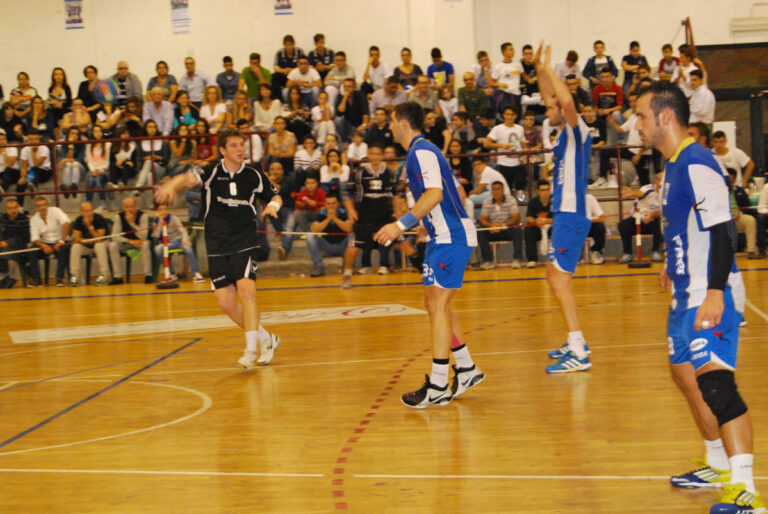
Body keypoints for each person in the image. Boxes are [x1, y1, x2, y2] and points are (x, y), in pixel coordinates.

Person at [635, 80, 764, 514]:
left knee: (715, 382)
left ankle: (745, 489)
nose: (637, 124)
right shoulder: (672, 165)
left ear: (665, 116)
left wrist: (714, 292)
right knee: (683, 374)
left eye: (641, 116)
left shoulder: (696, 162)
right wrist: (672, 264)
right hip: (687, 288)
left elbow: (724, 229)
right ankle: (714, 463)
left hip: (713, 289)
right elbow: (684, 226)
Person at [374, 101, 483, 408]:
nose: (389, 126)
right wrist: (427, 222)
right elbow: (451, 193)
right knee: (434, 303)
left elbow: (434, 193)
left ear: (404, 124)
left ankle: (438, 384)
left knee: (438, 305)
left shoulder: (421, 151)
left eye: (392, 121)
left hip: (452, 237)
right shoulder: (423, 152)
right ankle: (466, 367)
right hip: (443, 234)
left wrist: (400, 225)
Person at [155, 129, 283, 368]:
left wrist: (274, 205)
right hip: (216, 243)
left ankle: (249, 350)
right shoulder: (212, 171)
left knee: (247, 292)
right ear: (223, 150)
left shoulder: (254, 174)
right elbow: (187, 180)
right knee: (226, 303)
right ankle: (267, 338)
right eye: (234, 145)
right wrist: (171, 185)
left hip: (244, 240)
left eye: (242, 145)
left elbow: (275, 194)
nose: (240, 150)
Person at [530, 43, 594, 374]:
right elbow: (552, 99)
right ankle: (574, 341)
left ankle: (579, 349)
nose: (547, 109)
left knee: (559, 279)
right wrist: (541, 70)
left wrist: (551, 73)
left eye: (551, 106)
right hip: (565, 214)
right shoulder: (562, 134)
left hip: (571, 214)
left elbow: (564, 100)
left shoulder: (578, 130)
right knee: (554, 276)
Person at [340, 144, 395, 286]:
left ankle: (422, 271)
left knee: (404, 244)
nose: (375, 157)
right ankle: (347, 274)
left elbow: (392, 194)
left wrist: (397, 211)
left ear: (382, 156)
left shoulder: (389, 173)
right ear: (368, 155)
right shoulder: (359, 172)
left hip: (384, 215)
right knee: (354, 246)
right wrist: (351, 210)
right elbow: (346, 193)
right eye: (372, 153)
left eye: (378, 154)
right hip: (364, 214)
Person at [150, 203, 204, 282]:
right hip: (169, 243)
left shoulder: (173, 218)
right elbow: (156, 235)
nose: (163, 212)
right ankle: (171, 273)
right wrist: (161, 221)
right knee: (157, 249)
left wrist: (185, 239)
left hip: (180, 240)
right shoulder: (156, 222)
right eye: (161, 210)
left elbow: (183, 231)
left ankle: (196, 273)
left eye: (165, 209)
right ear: (157, 211)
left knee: (188, 248)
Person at [477, 181, 523, 269]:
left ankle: (517, 259)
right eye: (494, 189)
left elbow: (516, 218)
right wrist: (491, 225)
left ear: (503, 190)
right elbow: (482, 219)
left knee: (517, 230)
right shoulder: (487, 201)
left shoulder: (511, 200)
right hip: (493, 229)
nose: (496, 191)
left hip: (506, 228)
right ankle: (488, 261)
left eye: (498, 189)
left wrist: (502, 225)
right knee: (480, 231)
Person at [617, 179, 664, 263]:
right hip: (638, 219)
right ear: (656, 180)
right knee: (623, 225)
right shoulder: (648, 188)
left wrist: (652, 215)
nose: (661, 181)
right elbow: (640, 193)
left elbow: (662, 212)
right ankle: (627, 253)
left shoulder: (666, 193)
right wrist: (632, 193)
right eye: (659, 179)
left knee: (658, 222)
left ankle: (655, 251)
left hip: (652, 221)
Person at [108, 196, 151, 284]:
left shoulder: (143, 216)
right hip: (126, 243)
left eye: (132, 206)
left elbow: (143, 236)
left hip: (139, 243)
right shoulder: (119, 217)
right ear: (123, 208)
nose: (130, 209)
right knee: (112, 245)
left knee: (146, 244)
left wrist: (132, 224)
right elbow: (114, 236)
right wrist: (130, 241)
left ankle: (148, 275)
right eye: (127, 207)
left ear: (136, 206)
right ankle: (118, 277)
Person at [307, 195, 352, 277]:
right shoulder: (321, 213)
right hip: (327, 247)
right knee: (310, 236)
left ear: (337, 204)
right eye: (328, 204)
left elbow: (349, 229)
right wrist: (328, 218)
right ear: (325, 204)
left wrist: (334, 218)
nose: (331, 206)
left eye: (333, 203)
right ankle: (319, 267)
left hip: (343, 247)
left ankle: (348, 267)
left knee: (353, 235)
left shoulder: (344, 212)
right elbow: (314, 230)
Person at [485, 105, 526, 194]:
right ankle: (510, 205)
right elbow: (487, 143)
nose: (510, 117)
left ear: (515, 116)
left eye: (512, 114)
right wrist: (502, 145)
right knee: (507, 189)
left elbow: (523, 144)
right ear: (504, 115)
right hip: (503, 163)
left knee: (521, 189)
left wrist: (524, 153)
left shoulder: (520, 128)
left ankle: (521, 204)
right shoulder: (497, 128)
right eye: (507, 114)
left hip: (518, 163)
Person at [30, 196, 70, 286]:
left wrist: (61, 241)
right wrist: (43, 245)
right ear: (36, 208)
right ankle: (37, 279)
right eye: (39, 206)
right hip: (45, 243)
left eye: (44, 205)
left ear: (48, 205)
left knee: (63, 249)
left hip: (61, 240)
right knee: (32, 251)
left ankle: (59, 279)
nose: (42, 208)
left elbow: (67, 223)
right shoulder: (34, 219)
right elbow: (34, 238)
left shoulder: (56, 211)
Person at [69, 201, 111, 286]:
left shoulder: (98, 218)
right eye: (86, 211)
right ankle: (75, 276)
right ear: (81, 212)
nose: (89, 213)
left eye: (91, 210)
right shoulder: (79, 220)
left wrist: (90, 227)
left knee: (99, 245)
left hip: (102, 244)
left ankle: (105, 275)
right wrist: (88, 240)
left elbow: (99, 238)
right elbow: (77, 238)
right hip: (87, 245)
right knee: (75, 246)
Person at [0, 199, 39, 288]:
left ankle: (8, 277)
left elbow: (26, 237)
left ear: (18, 208)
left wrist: (8, 242)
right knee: (5, 249)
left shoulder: (24, 219)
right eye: (10, 208)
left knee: (9, 250)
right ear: (6, 210)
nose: (13, 210)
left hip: (20, 245)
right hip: (3, 244)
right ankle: (6, 278)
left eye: (15, 208)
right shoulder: (2, 219)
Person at [523, 179, 553, 267]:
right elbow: (529, 218)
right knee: (529, 229)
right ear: (537, 191)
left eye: (547, 189)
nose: (545, 192)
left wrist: (546, 221)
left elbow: (559, 218)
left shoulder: (555, 201)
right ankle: (532, 259)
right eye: (542, 190)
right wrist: (536, 221)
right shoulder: (533, 202)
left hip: (551, 227)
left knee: (559, 228)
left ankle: (558, 256)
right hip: (538, 227)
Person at [489, 42, 522, 116]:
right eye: (510, 49)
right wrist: (500, 84)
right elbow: (491, 83)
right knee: (508, 115)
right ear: (504, 52)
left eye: (513, 49)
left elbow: (524, 76)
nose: (513, 51)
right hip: (505, 94)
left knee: (517, 116)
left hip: (516, 94)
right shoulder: (498, 66)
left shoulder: (518, 64)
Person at [84, 125, 111, 210]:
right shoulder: (89, 145)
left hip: (104, 170)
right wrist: (93, 170)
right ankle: (89, 203)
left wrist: (102, 170)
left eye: (99, 131)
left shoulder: (107, 144)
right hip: (93, 170)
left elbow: (108, 161)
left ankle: (103, 204)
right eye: (95, 131)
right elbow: (89, 160)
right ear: (92, 133)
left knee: (98, 179)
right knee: (90, 179)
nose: (98, 133)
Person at [272, 34, 305, 99]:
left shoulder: (300, 51)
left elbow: (304, 64)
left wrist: (292, 70)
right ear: (284, 45)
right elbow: (275, 68)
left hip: (296, 75)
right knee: (274, 77)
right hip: (284, 75)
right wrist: (284, 70)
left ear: (294, 44)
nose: (289, 47)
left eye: (291, 45)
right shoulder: (279, 52)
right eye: (287, 45)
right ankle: (279, 99)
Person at [584, 193, 606, 264]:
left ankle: (595, 251)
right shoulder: (567, 199)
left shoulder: (589, 198)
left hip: (587, 226)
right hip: (573, 227)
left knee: (600, 227)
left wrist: (587, 219)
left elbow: (602, 218)